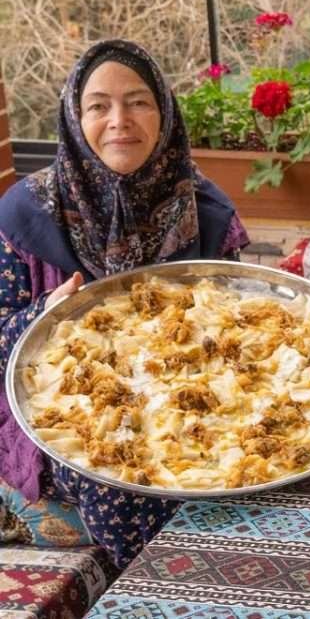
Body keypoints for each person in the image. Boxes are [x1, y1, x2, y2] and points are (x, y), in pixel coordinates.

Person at [0, 40, 249, 569]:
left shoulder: (204, 210)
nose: (120, 120)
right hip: (61, 405)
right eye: (99, 106)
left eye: (138, 101)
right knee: (122, 471)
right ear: (74, 117)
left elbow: (244, 323)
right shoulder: (24, 214)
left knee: (249, 457)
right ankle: (155, 591)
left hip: (202, 397)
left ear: (163, 113)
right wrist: (41, 315)